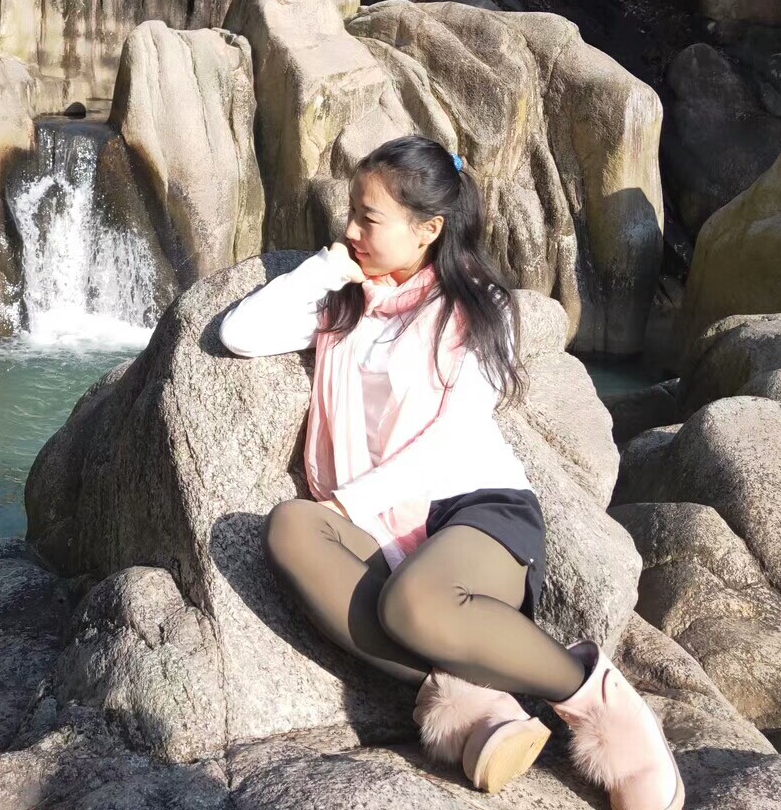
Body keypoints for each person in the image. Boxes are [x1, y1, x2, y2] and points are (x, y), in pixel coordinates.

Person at [218, 135, 682, 808]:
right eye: (352, 213)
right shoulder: (345, 300)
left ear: (428, 229)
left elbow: (450, 441)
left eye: (368, 218)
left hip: (474, 508)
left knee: (412, 603)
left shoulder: (478, 309)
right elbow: (240, 334)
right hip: (379, 523)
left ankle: (602, 708)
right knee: (290, 528)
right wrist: (323, 268)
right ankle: (472, 697)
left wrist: (349, 505)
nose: (351, 230)